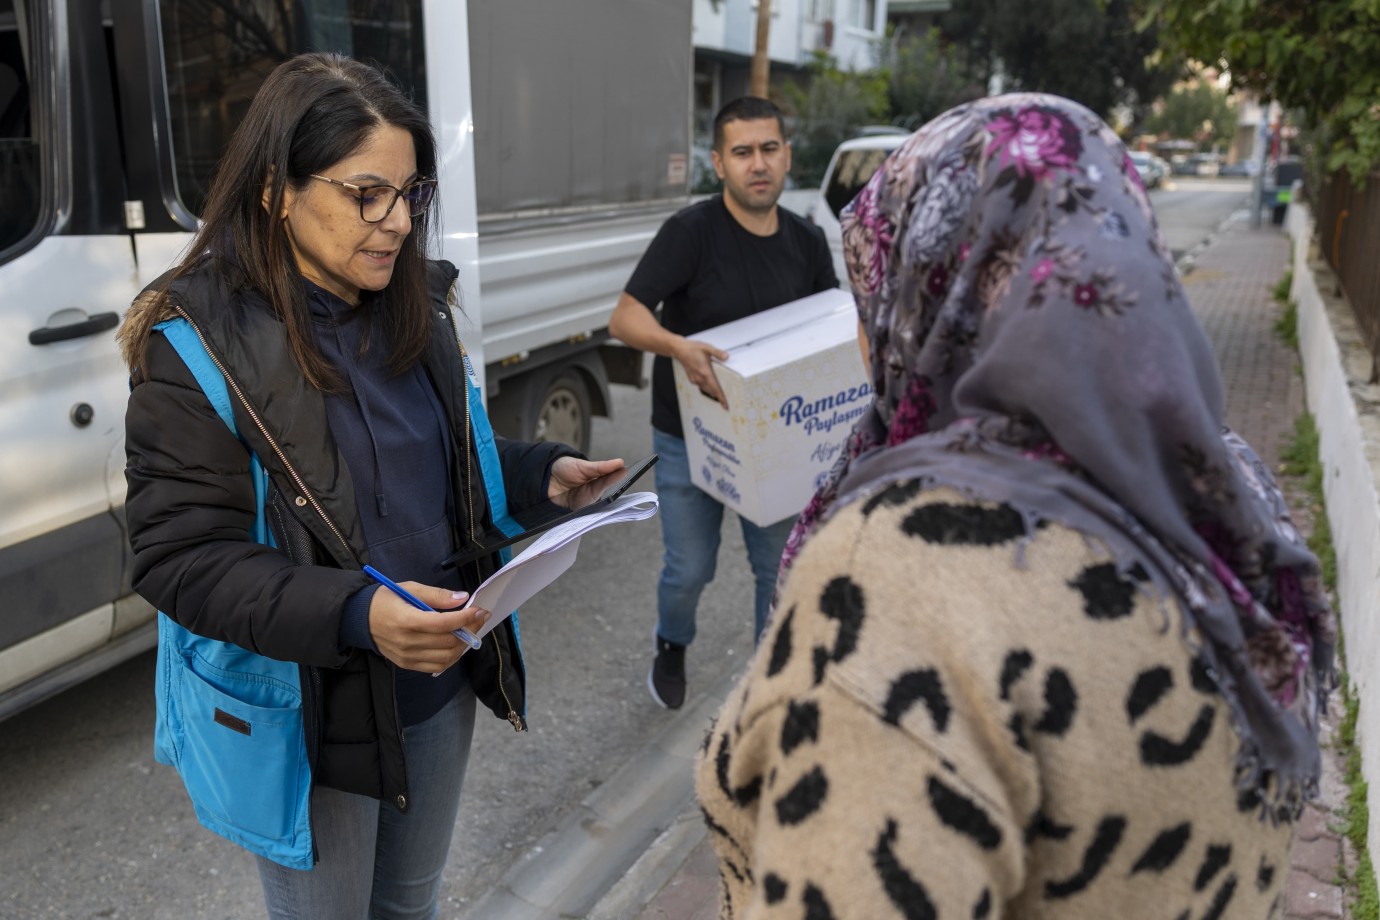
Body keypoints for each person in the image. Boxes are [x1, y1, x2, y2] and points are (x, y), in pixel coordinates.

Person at [695, 94, 1334, 918]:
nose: (862, 330)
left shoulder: (900, 579)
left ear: (936, 287)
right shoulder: (1225, 502)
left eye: (873, 285)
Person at [119, 53, 622, 919]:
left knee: (410, 908)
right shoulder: (196, 339)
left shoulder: (415, 309)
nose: (396, 223)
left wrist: (543, 476)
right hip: (312, 711)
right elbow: (180, 556)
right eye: (367, 195)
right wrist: (359, 615)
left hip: (438, 686)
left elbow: (438, 463)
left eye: (412, 195)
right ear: (277, 188)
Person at [608, 96, 839, 710]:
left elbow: (831, 330)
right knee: (690, 571)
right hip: (691, 437)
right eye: (742, 153)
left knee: (780, 570)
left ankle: (769, 687)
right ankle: (672, 642)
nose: (757, 164)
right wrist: (677, 347)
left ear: (787, 155)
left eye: (769, 149)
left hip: (776, 444)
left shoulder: (810, 241)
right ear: (719, 163)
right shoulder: (691, 233)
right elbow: (625, 319)